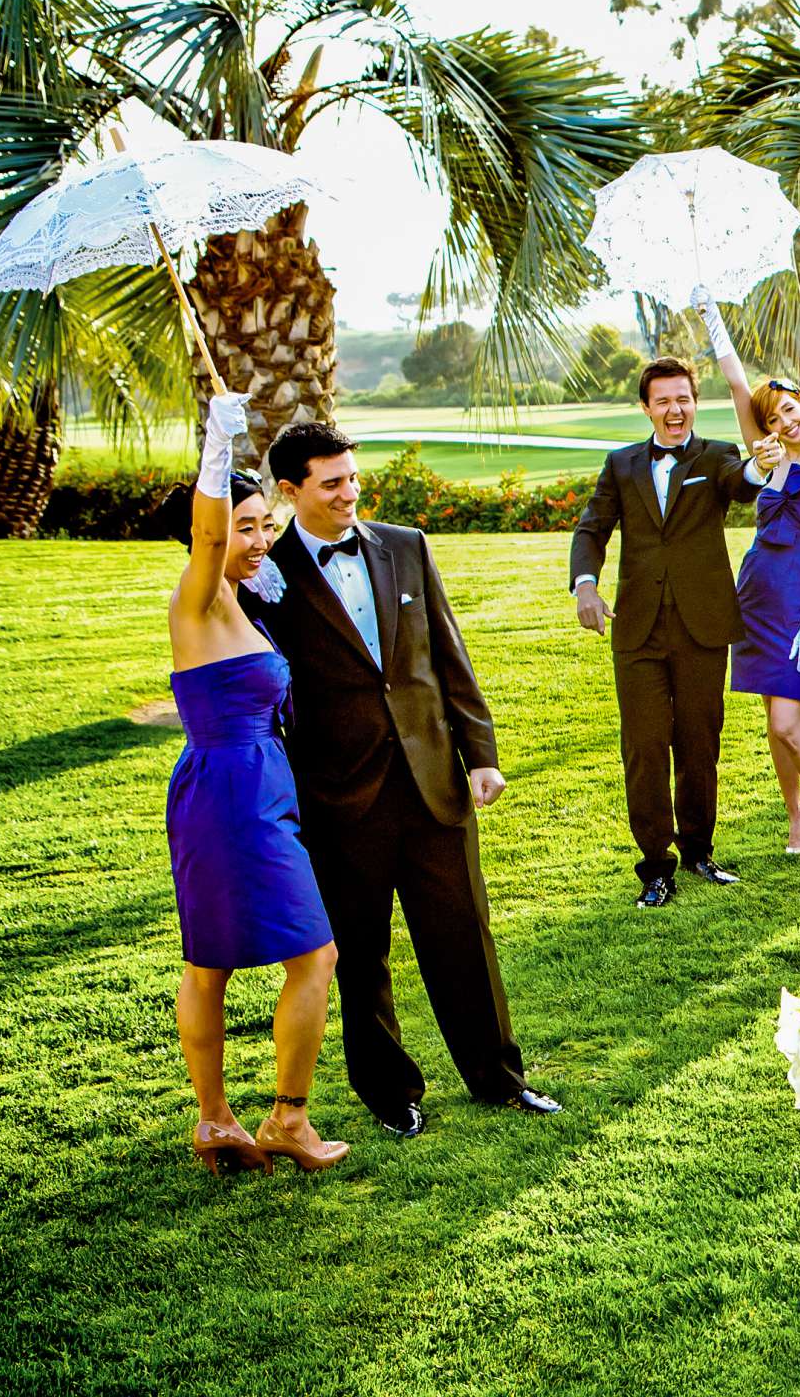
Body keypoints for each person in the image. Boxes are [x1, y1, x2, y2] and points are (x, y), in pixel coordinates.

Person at [251, 420, 555, 1136]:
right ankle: (391, 1094)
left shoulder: (407, 546)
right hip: (336, 797)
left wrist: (481, 754)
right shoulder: (268, 574)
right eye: (331, 484)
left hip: (433, 785)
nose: (350, 493)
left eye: (353, 478)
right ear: (290, 491)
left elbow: (449, 655)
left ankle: (499, 1079)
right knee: (362, 958)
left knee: (465, 938)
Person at [160, 394, 345, 1173]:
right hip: (232, 795)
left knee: (213, 963)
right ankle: (285, 1121)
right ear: (208, 537)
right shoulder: (198, 594)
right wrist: (216, 440)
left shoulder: (240, 598)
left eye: (265, 524)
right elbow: (209, 532)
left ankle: (218, 1123)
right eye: (248, 527)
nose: (260, 539)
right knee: (313, 955)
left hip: (244, 789)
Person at [570, 348, 768, 907]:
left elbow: (743, 481)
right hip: (637, 631)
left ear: (694, 403)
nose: (674, 410)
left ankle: (700, 851)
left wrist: (761, 464)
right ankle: (656, 866)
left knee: (700, 742)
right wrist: (585, 583)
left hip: (702, 626)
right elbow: (591, 529)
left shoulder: (718, 455)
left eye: (683, 399)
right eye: (663, 401)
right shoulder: (621, 465)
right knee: (646, 747)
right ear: (646, 408)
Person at [693, 290, 800, 873]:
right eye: (773, 418)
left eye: (790, 409)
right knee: (774, 720)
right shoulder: (766, 458)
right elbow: (739, 385)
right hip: (756, 596)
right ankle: (796, 815)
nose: (785, 421)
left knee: (789, 722)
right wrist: (715, 320)